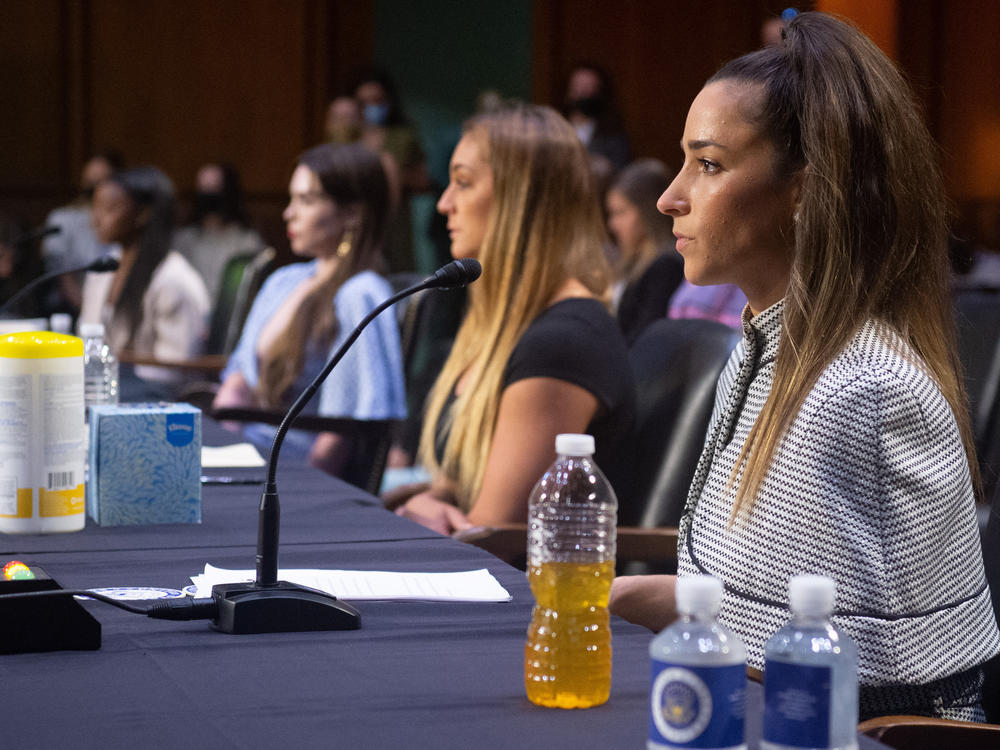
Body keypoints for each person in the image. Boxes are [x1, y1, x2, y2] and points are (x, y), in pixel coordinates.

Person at [608, 11, 1000, 721]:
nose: (671, 197)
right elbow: (779, 600)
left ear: (804, 191)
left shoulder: (863, 387)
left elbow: (873, 678)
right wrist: (664, 596)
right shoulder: (765, 345)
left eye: (710, 165)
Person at [392, 102, 635, 536]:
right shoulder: (502, 323)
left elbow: (491, 537)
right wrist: (433, 499)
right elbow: (463, 480)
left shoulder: (563, 341)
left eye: (464, 183)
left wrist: (431, 512)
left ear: (521, 202)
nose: (445, 203)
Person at [214, 143, 406, 477]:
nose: (289, 213)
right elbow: (237, 384)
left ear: (353, 213)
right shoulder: (283, 280)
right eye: (291, 199)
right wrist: (222, 456)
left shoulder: (360, 293)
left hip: (296, 475)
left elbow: (341, 432)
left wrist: (307, 491)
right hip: (248, 457)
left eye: (306, 200)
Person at [79, 166, 210, 384]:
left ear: (142, 214)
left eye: (109, 209)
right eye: (95, 208)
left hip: (158, 401)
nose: (96, 220)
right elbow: (86, 342)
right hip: (106, 391)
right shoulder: (102, 270)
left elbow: (173, 370)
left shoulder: (173, 281)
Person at [605, 159, 685, 345]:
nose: (612, 224)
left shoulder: (666, 265)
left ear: (646, 211)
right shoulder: (632, 261)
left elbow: (646, 336)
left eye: (620, 213)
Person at [42, 151, 123, 315]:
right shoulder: (63, 219)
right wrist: (91, 314)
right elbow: (64, 276)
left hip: (115, 309)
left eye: (101, 182)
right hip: (70, 310)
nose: (94, 190)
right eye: (90, 184)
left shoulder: (122, 220)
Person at [173, 162, 264, 302]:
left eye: (215, 189)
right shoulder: (183, 240)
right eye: (203, 189)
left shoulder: (247, 241)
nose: (208, 196)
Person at [562, 62, 631, 173]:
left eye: (589, 88)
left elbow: (620, 172)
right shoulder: (556, 130)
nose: (583, 93)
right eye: (578, 87)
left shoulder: (613, 136)